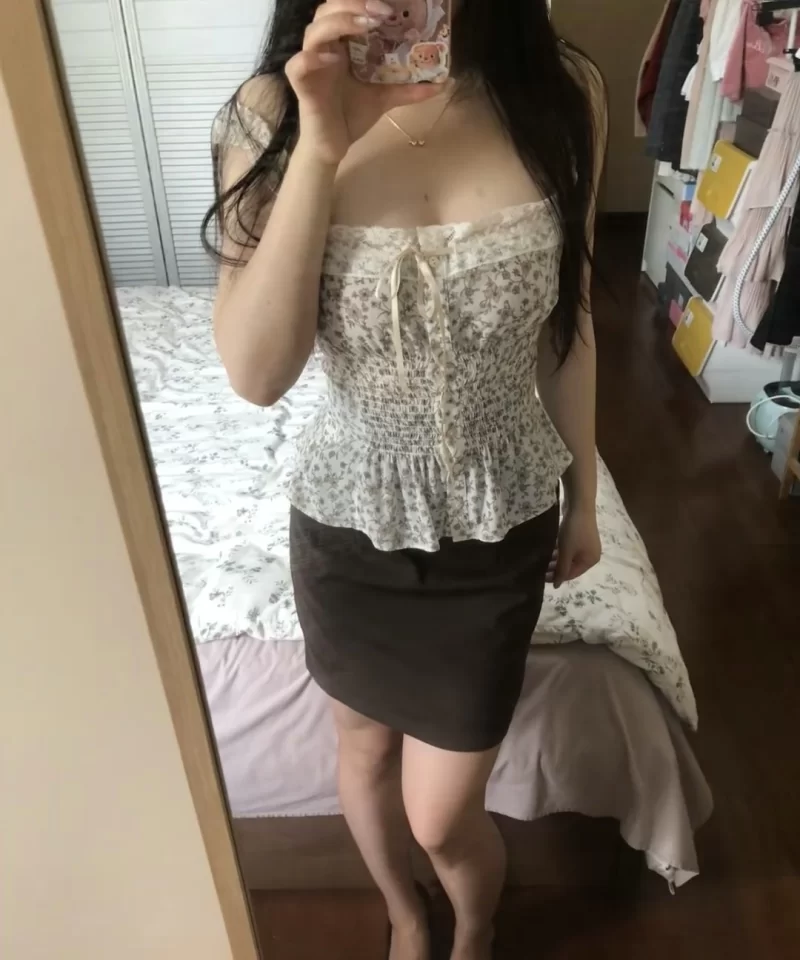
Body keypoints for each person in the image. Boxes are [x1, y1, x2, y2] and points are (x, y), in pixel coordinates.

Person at [206, 2, 607, 958]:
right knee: (363, 749)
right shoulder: (269, 112)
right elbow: (258, 375)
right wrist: (319, 143)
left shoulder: (559, 93)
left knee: (442, 816)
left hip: (499, 522)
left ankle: (476, 923)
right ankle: (406, 913)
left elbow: (572, 324)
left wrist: (586, 496)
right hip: (346, 523)